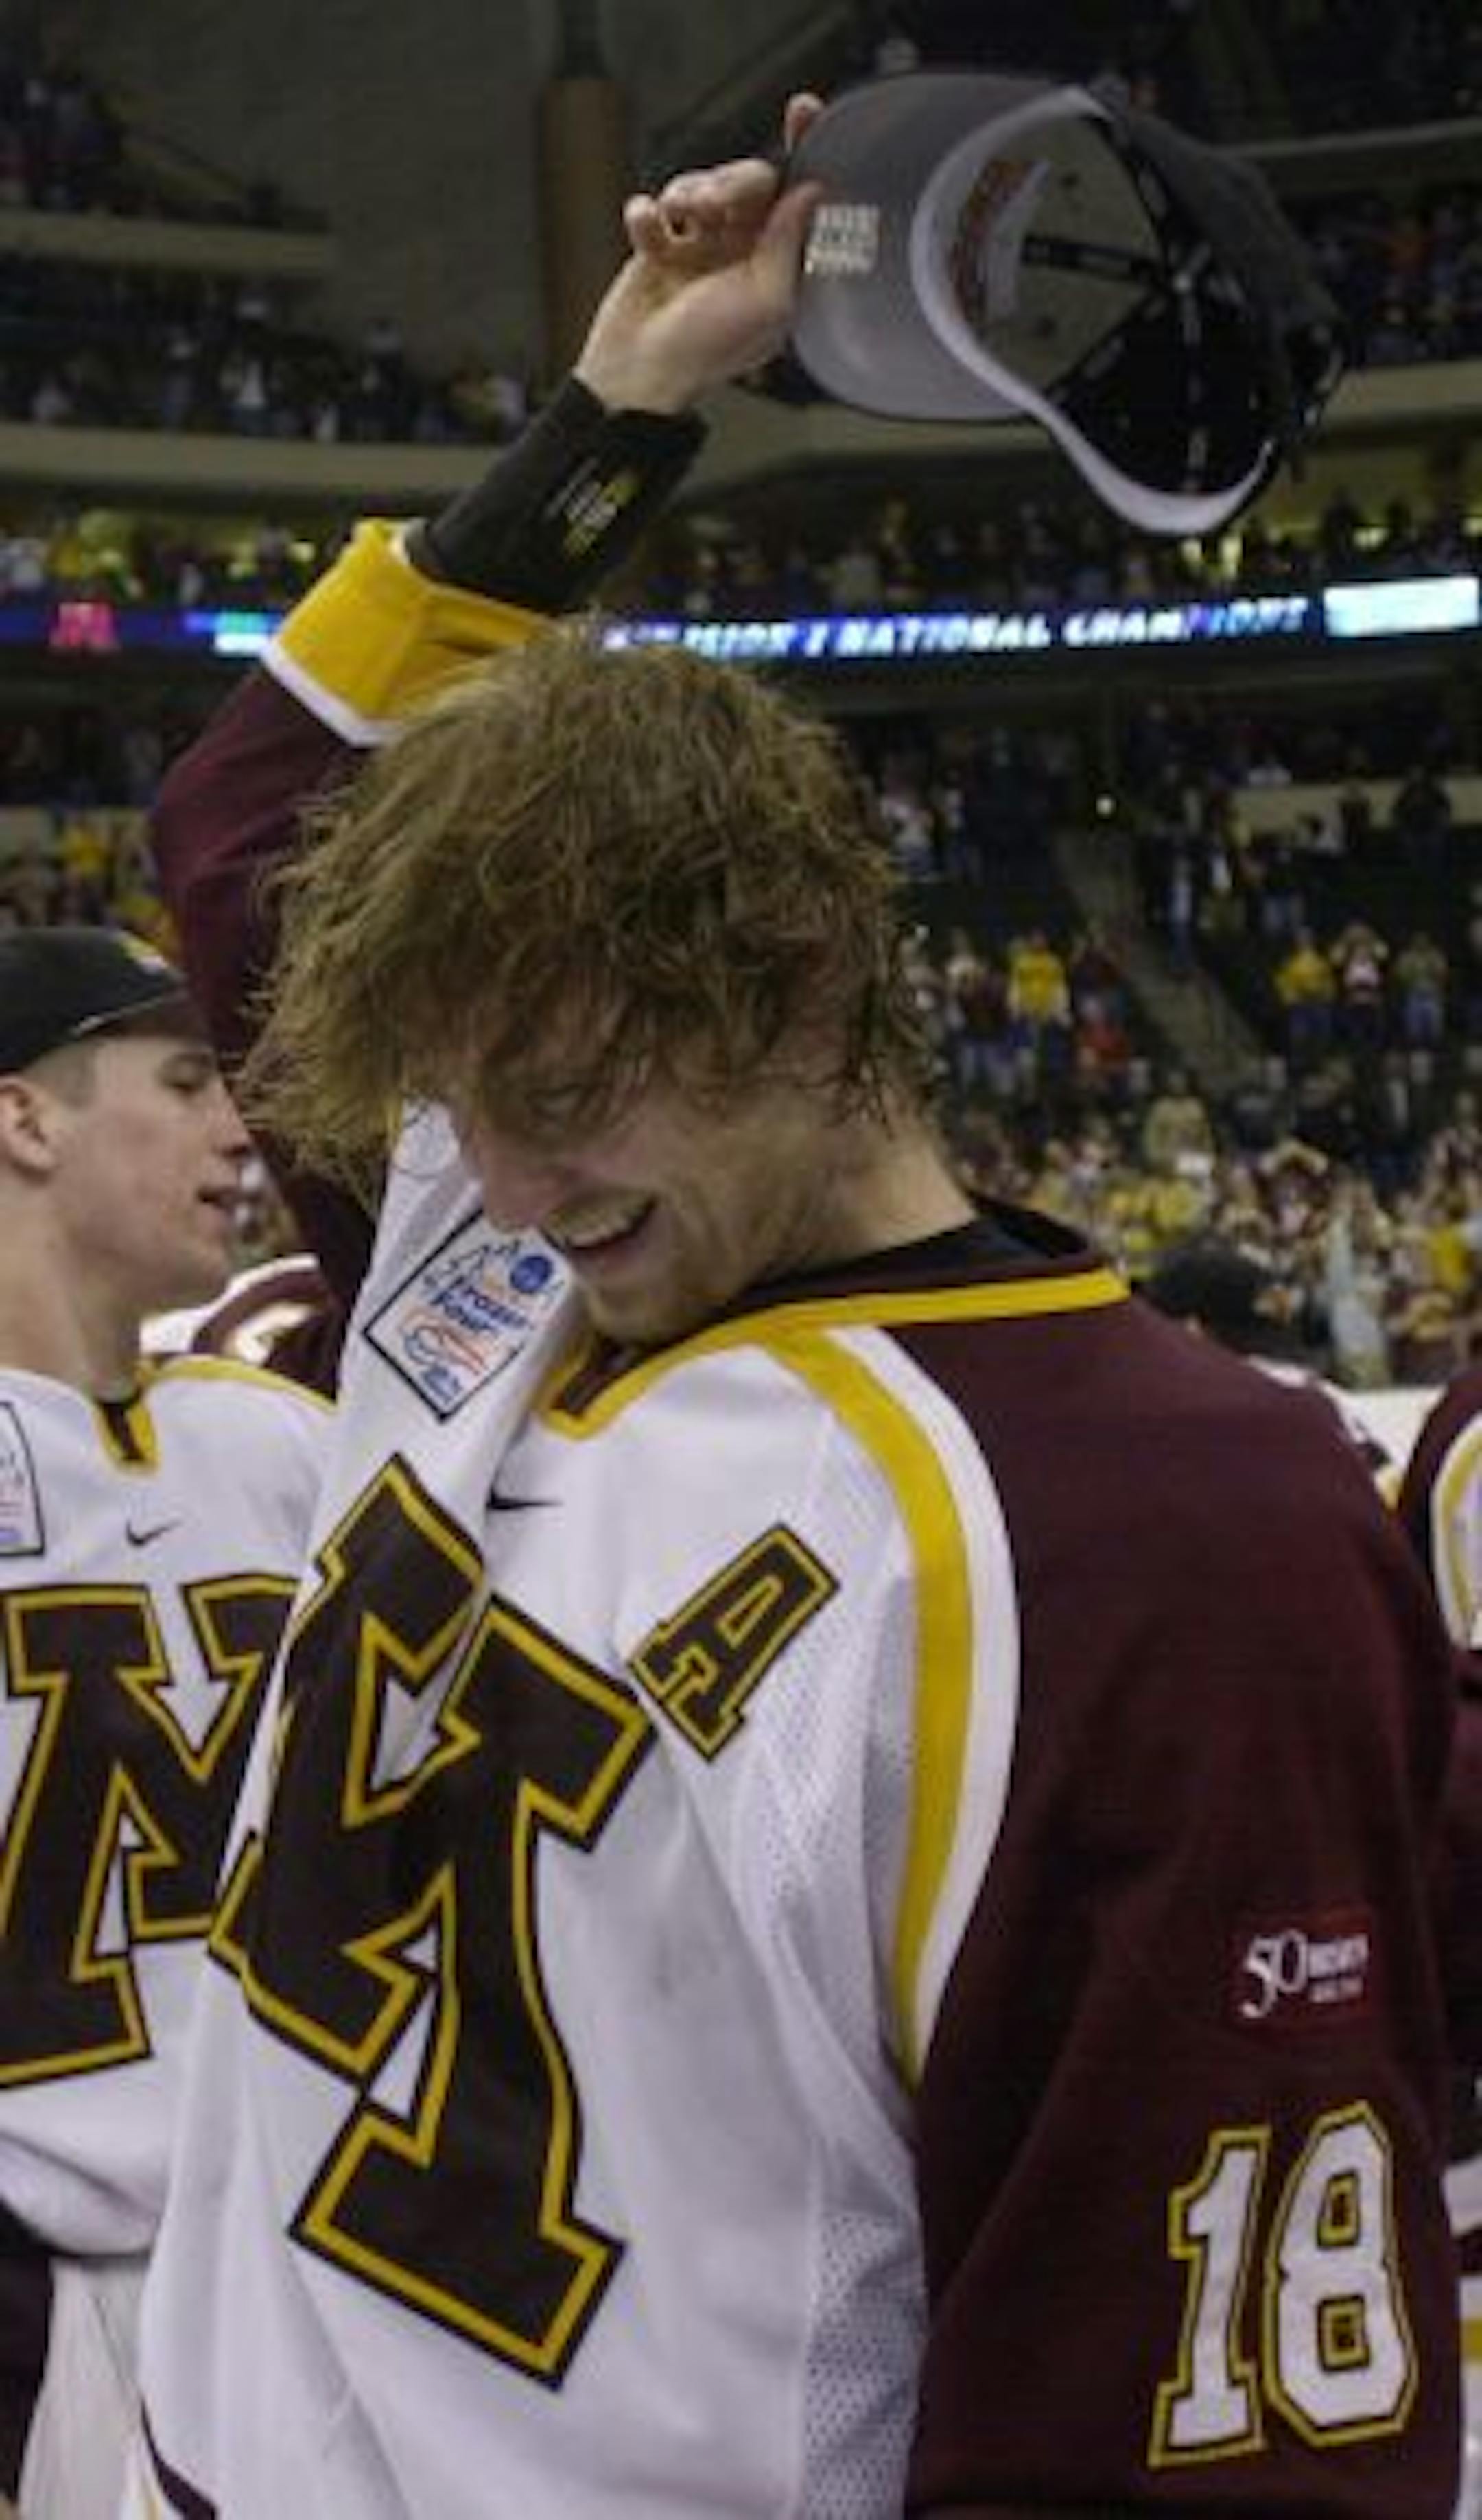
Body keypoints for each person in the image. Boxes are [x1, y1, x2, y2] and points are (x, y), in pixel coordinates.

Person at [132, 105, 1463, 2519]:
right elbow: (243, 825)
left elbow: (1185, 2417)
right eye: (458, 1111)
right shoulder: (515, 1221)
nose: (495, 1193)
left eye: (552, 1094)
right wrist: (622, 400)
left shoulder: (1171, 1516)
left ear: (806, 982)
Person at [0, 926, 331, 2517]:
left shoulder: (282, 1442)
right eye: (189, 1079)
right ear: (26, 1119)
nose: (238, 1128)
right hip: (32, 2294)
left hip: (297, 2265)